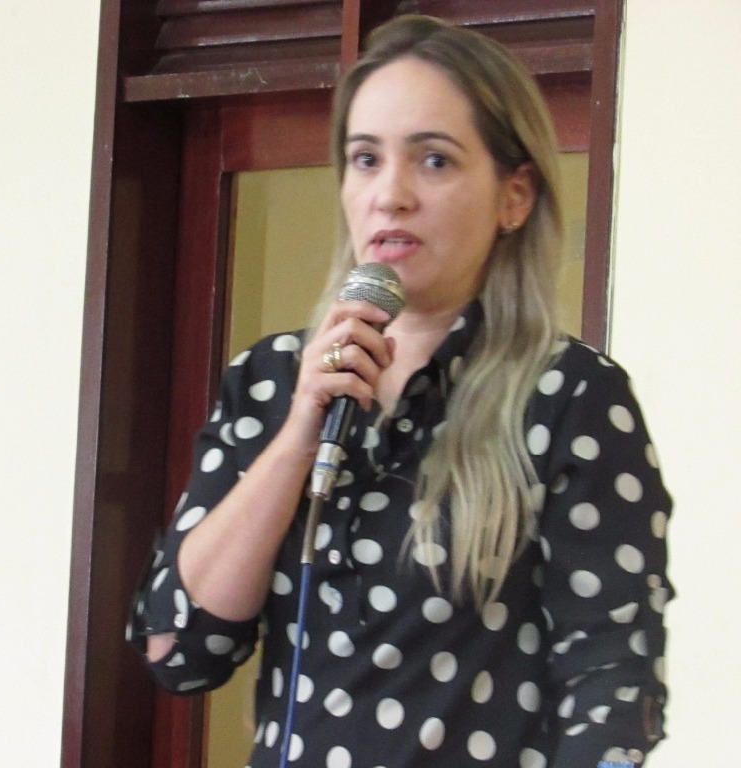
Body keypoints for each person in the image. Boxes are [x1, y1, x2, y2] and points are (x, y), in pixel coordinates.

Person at [127, 14, 672, 768]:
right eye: (365, 159)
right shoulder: (272, 379)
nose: (390, 195)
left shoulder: (568, 395)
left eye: (434, 161)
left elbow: (610, 684)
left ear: (514, 197)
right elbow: (178, 651)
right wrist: (299, 431)